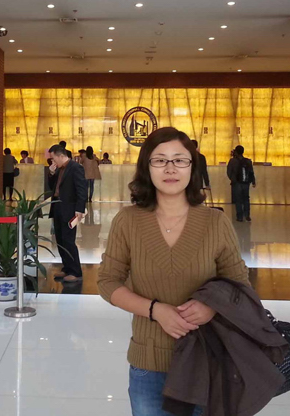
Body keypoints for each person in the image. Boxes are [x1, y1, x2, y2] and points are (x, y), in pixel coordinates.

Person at [98, 126, 249, 416]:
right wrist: (155, 310)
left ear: (192, 166)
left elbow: (239, 283)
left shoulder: (215, 222)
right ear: (147, 167)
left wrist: (212, 307)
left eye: (179, 160)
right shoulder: (128, 221)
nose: (170, 168)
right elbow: (107, 282)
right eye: (160, 160)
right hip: (148, 364)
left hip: (208, 361)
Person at [48, 144, 87, 282]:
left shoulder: (75, 168)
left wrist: (80, 209)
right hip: (57, 206)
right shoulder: (59, 169)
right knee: (60, 240)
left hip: (69, 209)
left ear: (60, 156)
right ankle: (67, 268)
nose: (52, 161)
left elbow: (82, 189)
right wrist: (51, 173)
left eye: (53, 158)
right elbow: (52, 187)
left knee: (68, 240)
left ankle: (75, 272)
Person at [227, 145, 256, 222]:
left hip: (236, 183)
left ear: (236, 152)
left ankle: (239, 217)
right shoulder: (248, 161)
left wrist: (233, 179)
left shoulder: (232, 161)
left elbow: (229, 172)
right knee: (246, 199)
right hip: (246, 183)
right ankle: (247, 215)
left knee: (238, 200)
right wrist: (253, 181)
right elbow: (251, 172)